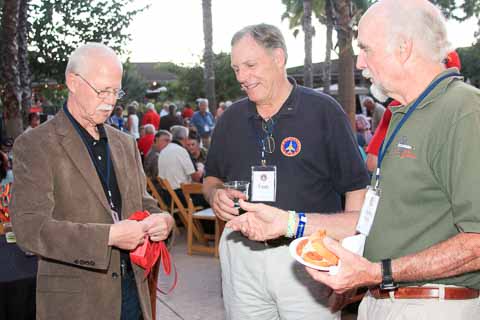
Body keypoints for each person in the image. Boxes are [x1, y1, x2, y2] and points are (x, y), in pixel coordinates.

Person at [227, 1, 480, 319]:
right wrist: (288, 223)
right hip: (384, 299)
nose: (359, 61)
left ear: (403, 48)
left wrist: (377, 273)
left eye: (365, 48)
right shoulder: (403, 113)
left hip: (430, 304)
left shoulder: (463, 110)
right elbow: (374, 220)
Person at [202, 23, 369, 320]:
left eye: (251, 65)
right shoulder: (230, 118)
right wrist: (215, 195)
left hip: (306, 254)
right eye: (236, 68)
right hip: (241, 256)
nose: (242, 77)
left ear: (279, 57)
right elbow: (211, 177)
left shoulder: (324, 111)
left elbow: (356, 186)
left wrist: (349, 257)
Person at [10, 43, 174, 320]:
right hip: (77, 305)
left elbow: (144, 202)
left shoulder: (124, 143)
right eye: (102, 90)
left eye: (115, 91)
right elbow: (29, 229)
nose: (110, 101)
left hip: (133, 292)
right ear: (73, 82)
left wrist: (164, 221)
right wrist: (108, 237)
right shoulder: (35, 144)